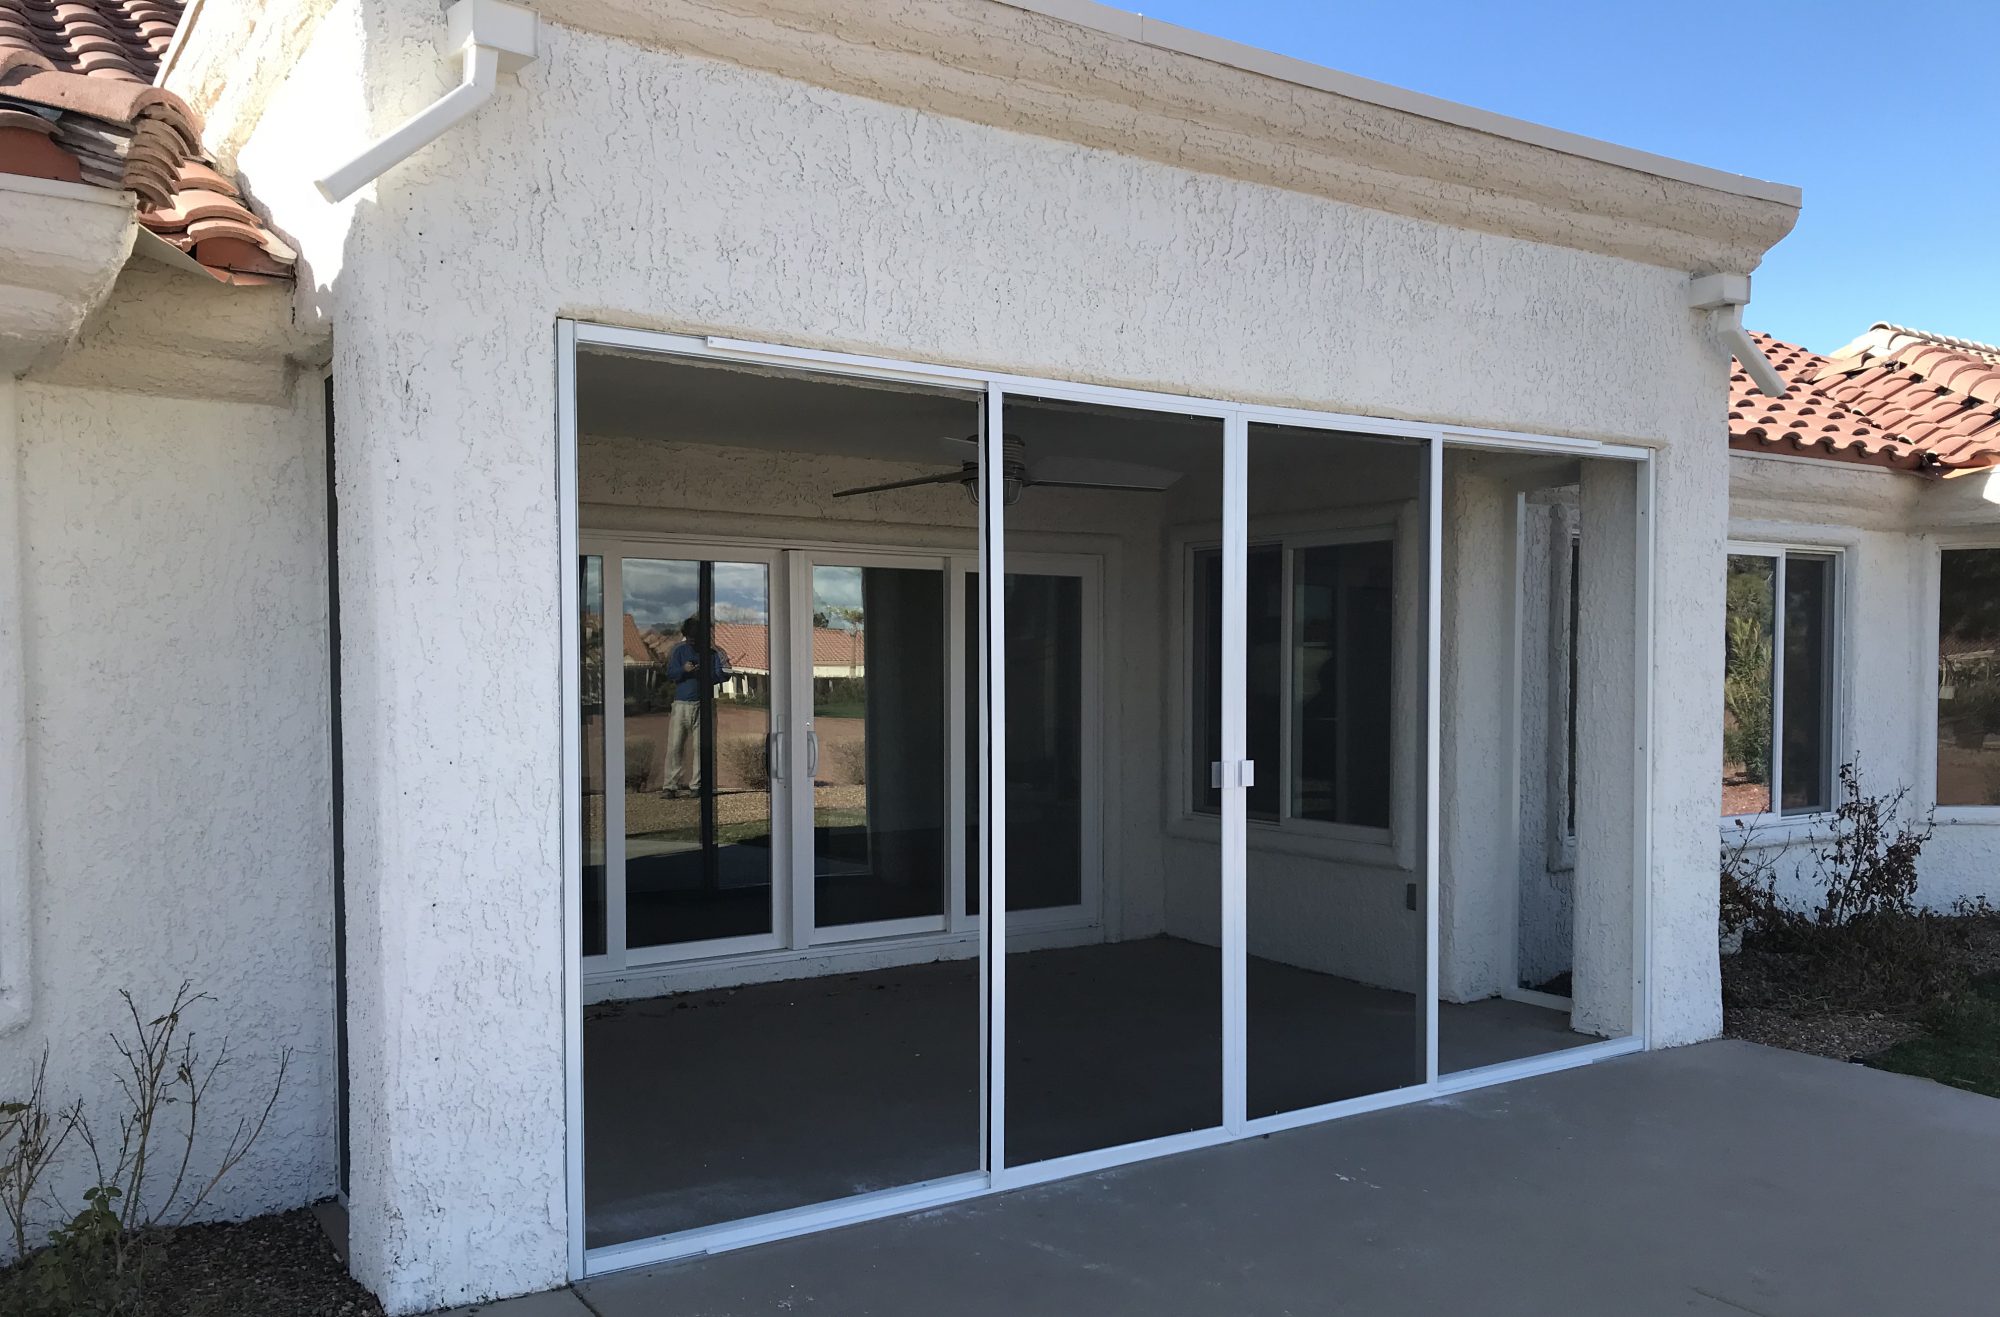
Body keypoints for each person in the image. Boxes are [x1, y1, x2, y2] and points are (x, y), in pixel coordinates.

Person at [662, 617, 730, 797]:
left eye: (695, 638)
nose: (692, 642)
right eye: (690, 638)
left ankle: (697, 786)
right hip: (681, 705)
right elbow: (670, 674)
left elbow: (720, 676)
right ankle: (670, 786)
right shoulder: (679, 652)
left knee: (700, 748)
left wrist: (710, 673)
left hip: (703, 705)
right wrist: (684, 670)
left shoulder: (712, 654)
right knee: (675, 747)